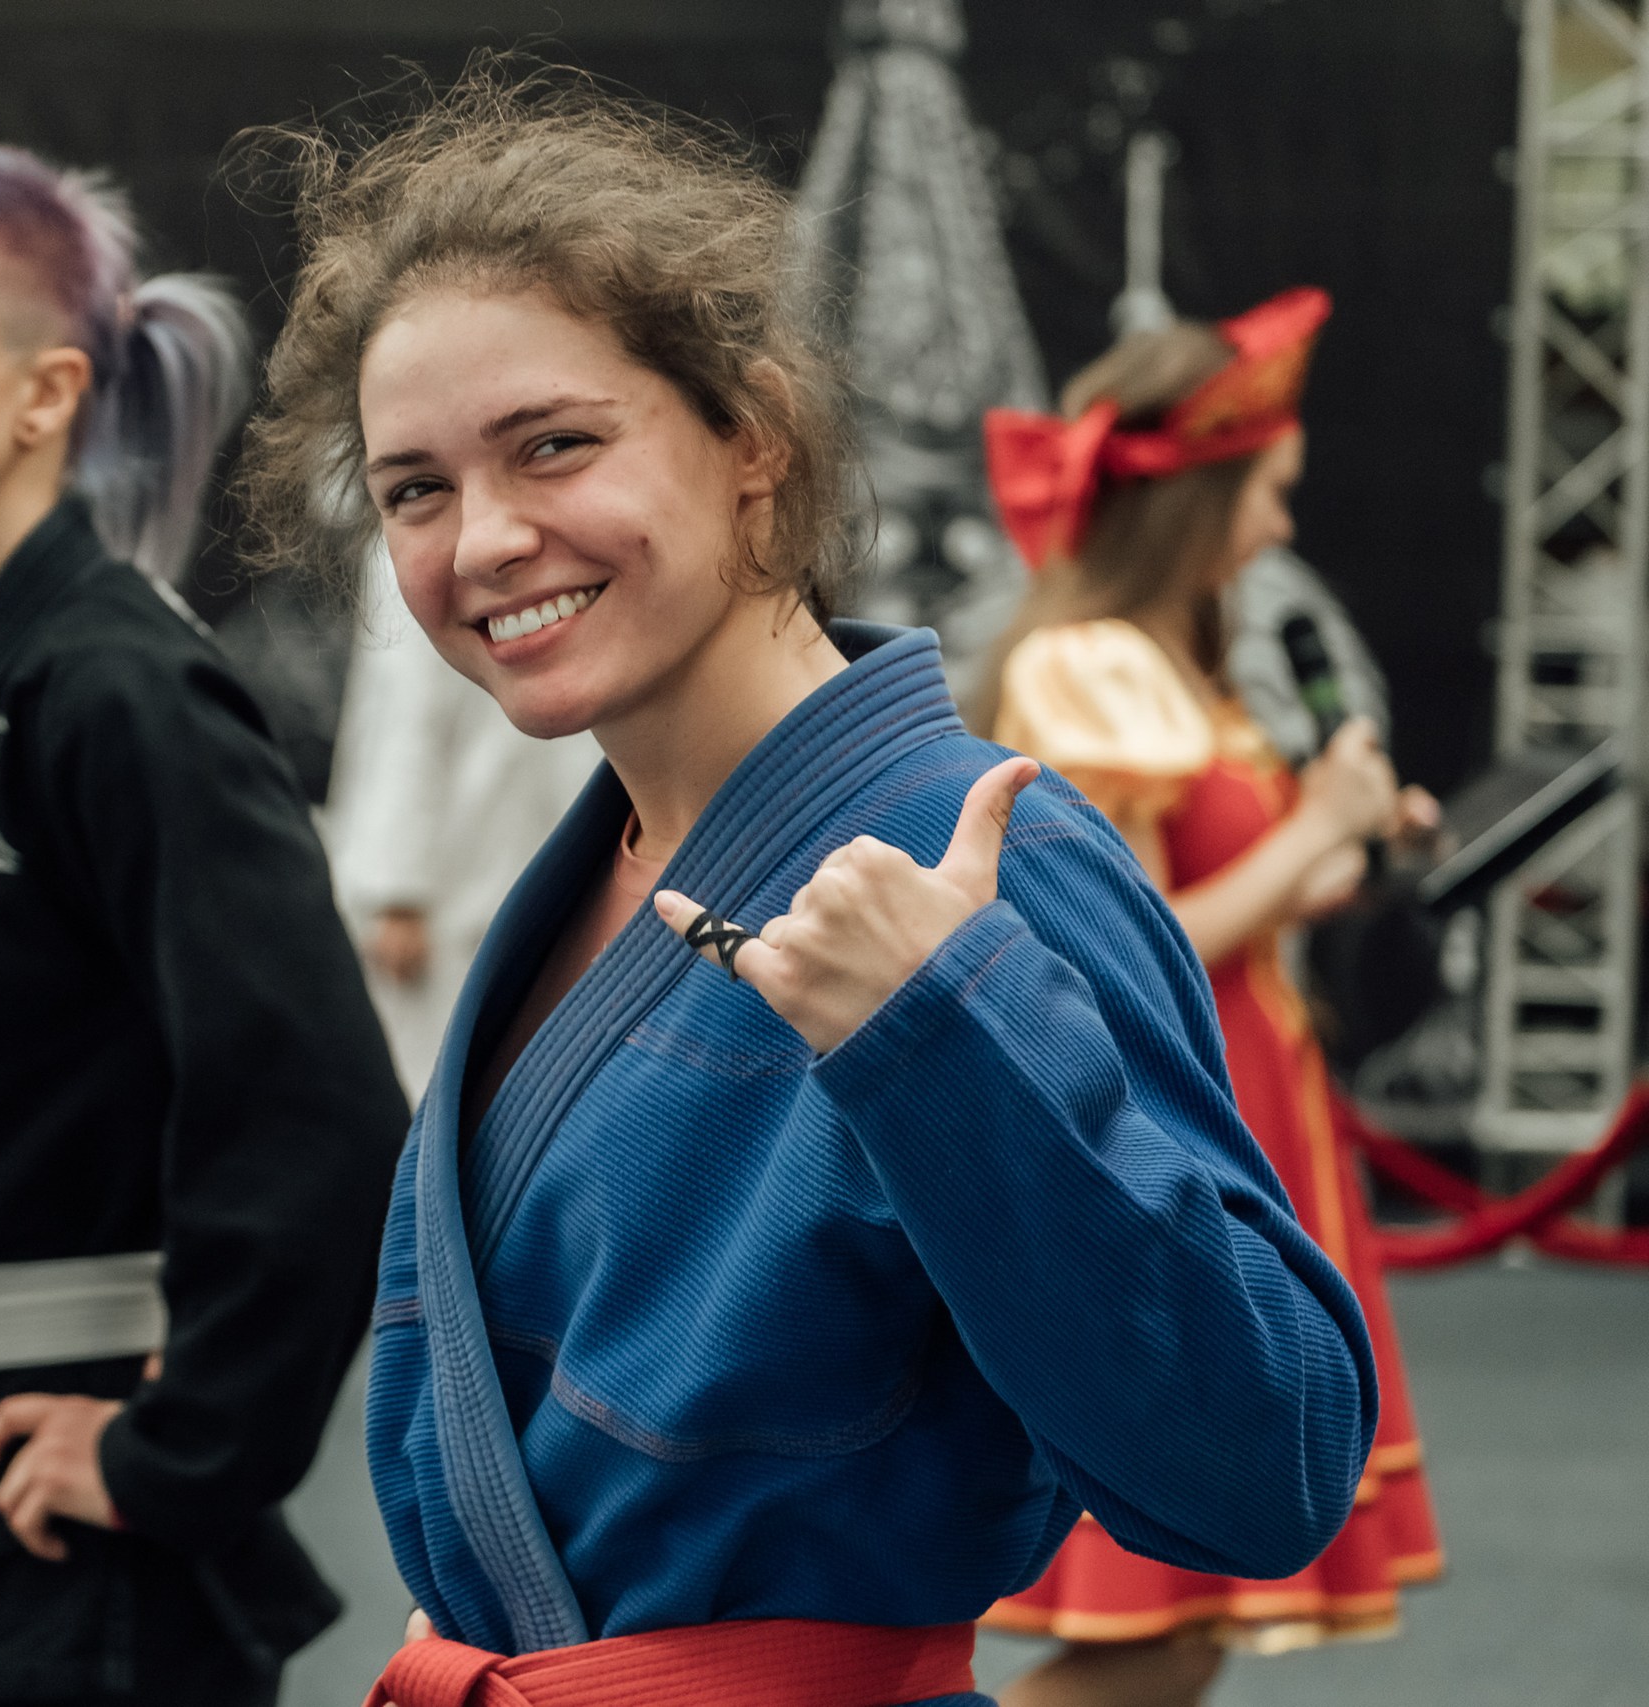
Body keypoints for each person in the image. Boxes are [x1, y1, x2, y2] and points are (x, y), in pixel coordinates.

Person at [233, 66, 1375, 1707]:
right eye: (416, 487)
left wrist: (949, 1033)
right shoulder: (588, 878)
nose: (481, 539)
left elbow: (1271, 1461)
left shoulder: (980, 859)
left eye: (554, 446)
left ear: (753, 436)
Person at [0, 134, 406, 1707]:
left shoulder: (125, 689)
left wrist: (177, 1446)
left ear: (45, 393)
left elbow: (321, 1113)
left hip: (58, 1519)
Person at [973, 291, 1444, 1704]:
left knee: (1195, 1627)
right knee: (1164, 1623)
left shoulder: (1173, 664)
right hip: (1173, 1118)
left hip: (1254, 1097)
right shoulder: (1086, 666)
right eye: (1268, 493)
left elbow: (1219, 903)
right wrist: (1314, 833)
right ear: (1198, 499)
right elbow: (1126, 946)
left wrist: (1345, 852)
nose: (1280, 527)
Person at [323, 546, 602, 1097]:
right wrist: (397, 893)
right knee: (426, 1071)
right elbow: (404, 719)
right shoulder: (409, 550)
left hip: (521, 836)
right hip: (440, 885)